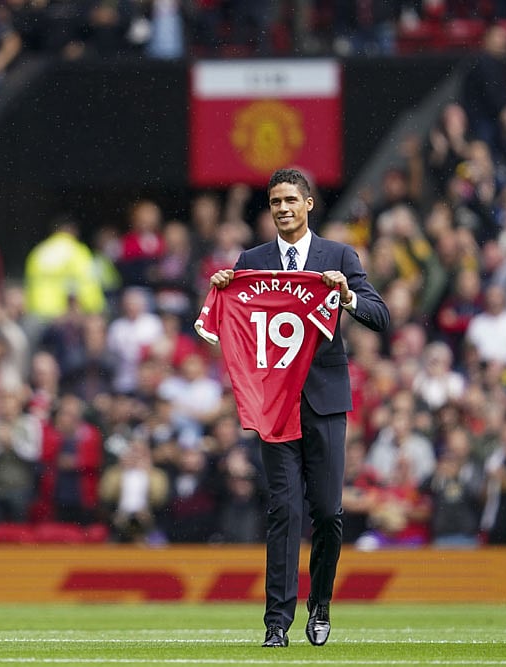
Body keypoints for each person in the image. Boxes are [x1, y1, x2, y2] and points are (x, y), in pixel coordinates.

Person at [207, 168, 389, 648]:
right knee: (284, 510)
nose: (282, 208)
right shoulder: (253, 259)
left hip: (324, 401)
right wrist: (227, 285)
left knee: (328, 512)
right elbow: (233, 321)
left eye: (290, 199)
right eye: (274, 202)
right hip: (275, 405)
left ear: (309, 204)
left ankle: (322, 603)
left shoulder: (339, 255)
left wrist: (346, 294)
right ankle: (275, 623)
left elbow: (380, 315)